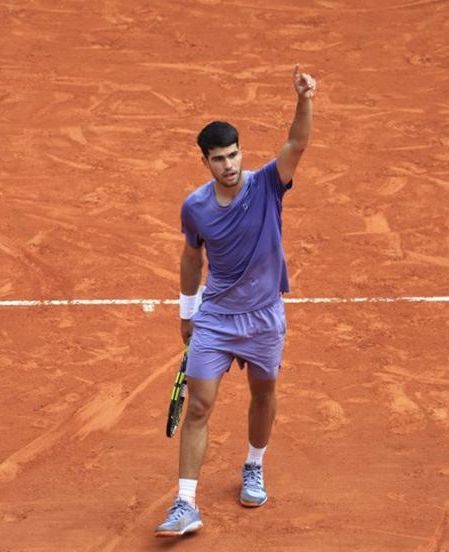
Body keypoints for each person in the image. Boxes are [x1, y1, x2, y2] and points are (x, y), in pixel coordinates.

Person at [154, 64, 317, 538]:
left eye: (234, 154)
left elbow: (298, 143)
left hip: (265, 316)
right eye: (219, 158)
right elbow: (190, 258)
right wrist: (187, 313)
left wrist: (305, 99)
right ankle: (185, 504)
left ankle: (253, 465)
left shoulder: (268, 184)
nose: (229, 165)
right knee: (199, 406)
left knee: (263, 394)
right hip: (217, 317)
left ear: (242, 151)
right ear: (205, 161)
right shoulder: (196, 207)